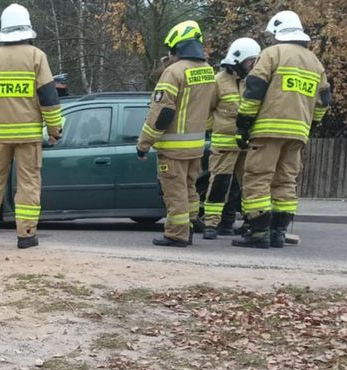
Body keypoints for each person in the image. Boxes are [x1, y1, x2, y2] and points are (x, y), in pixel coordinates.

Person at [233, 10, 331, 249]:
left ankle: (258, 233)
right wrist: (310, 124)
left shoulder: (272, 54)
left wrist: (243, 125)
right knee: (285, 181)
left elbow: (254, 91)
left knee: (258, 177)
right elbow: (324, 101)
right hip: (298, 133)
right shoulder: (315, 63)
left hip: (267, 130)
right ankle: (278, 232)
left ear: (278, 32)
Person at [0, 3, 63, 249]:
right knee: (29, 184)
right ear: (27, 27)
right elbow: (49, 99)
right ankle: (26, 235)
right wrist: (55, 131)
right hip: (29, 136)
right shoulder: (36, 57)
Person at [136, 20, 217, 247]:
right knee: (190, 190)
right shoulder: (208, 71)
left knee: (175, 192)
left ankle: (176, 234)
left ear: (177, 48)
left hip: (173, 149)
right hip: (195, 146)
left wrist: (143, 143)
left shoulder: (174, 72)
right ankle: (189, 226)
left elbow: (162, 113)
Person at [202, 37, 261, 239]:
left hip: (246, 142)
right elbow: (207, 110)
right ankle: (211, 224)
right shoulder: (218, 81)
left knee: (249, 184)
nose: (253, 65)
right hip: (224, 143)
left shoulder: (252, 80)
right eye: (250, 61)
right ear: (240, 59)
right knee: (219, 183)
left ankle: (250, 222)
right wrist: (216, 129)